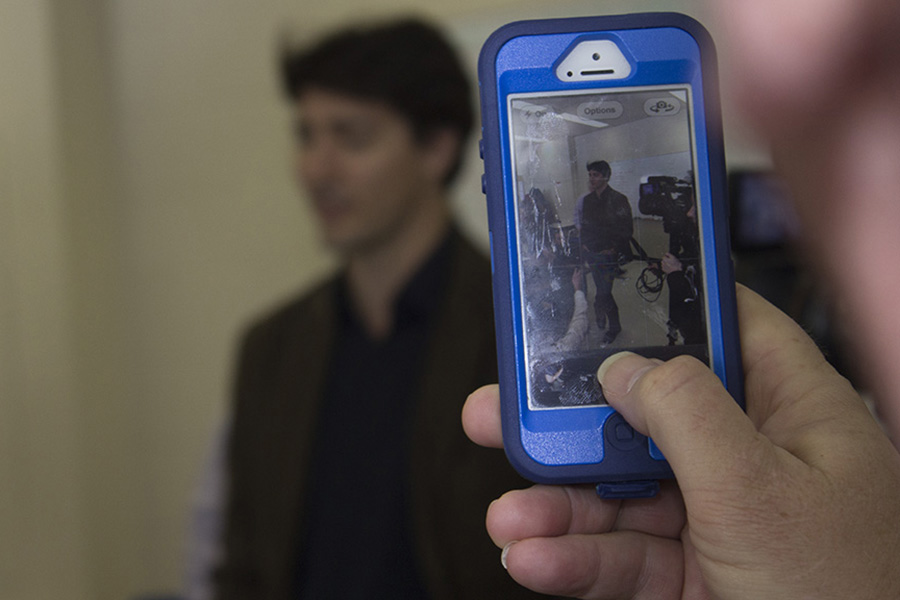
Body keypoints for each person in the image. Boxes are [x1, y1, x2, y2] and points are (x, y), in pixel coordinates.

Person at [461, 1, 900, 597]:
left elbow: (622, 229)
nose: (594, 182)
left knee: (648, 312)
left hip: (617, 260)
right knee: (603, 310)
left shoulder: (618, 202)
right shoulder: (586, 203)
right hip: (593, 262)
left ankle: (614, 338)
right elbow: (584, 230)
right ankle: (607, 334)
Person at [213, 18, 539, 599]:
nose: (316, 169)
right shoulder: (270, 348)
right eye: (307, 135)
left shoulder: (523, 333)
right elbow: (244, 568)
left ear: (436, 147)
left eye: (352, 137)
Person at [575, 160, 633, 344]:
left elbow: (626, 229)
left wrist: (614, 247)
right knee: (602, 289)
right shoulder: (588, 201)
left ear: (606, 177)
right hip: (593, 253)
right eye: (590, 175)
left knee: (604, 291)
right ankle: (601, 311)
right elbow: (585, 226)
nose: (592, 178)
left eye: (596, 175)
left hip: (608, 255)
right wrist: (585, 245)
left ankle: (613, 325)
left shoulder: (618, 199)